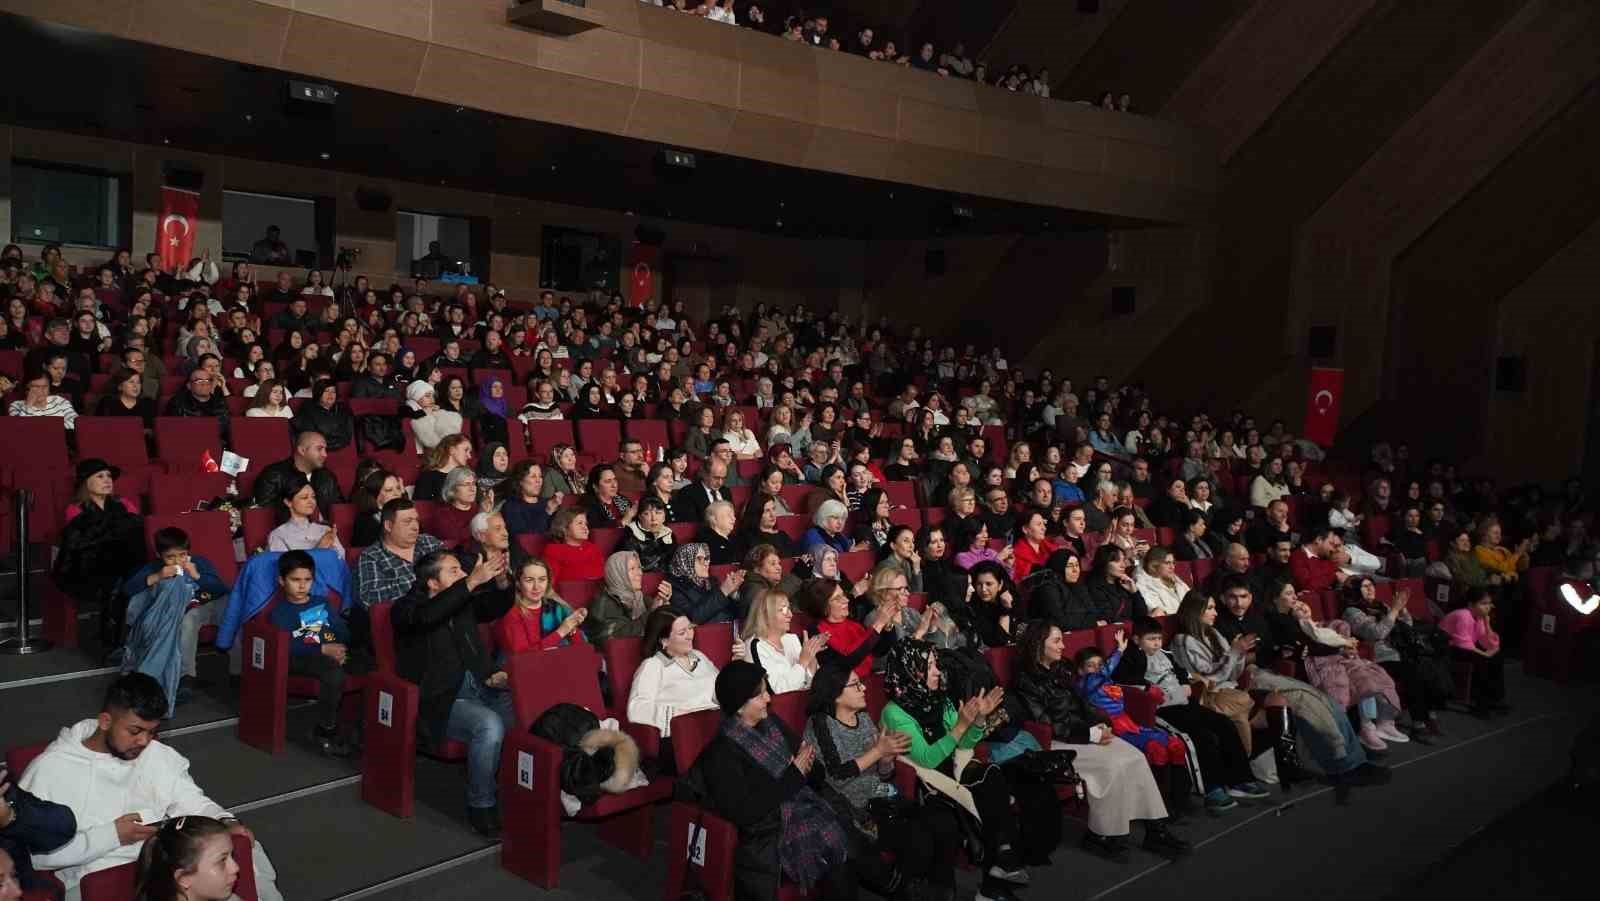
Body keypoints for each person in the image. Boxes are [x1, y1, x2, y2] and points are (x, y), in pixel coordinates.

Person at [18, 673, 283, 900]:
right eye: (135, 731)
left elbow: (190, 800)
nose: (144, 741)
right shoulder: (51, 769)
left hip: (161, 867)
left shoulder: (156, 754)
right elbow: (34, 856)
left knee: (244, 848)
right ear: (105, 721)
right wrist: (112, 835)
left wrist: (225, 820)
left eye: (152, 732)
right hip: (95, 877)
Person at [878, 640, 1057, 889]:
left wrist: (979, 719)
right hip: (926, 781)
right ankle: (994, 870)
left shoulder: (939, 698)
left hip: (954, 765)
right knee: (976, 799)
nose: (938, 671)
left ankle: (1001, 857)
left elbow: (966, 743)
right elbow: (926, 758)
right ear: (910, 672)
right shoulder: (894, 713)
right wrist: (961, 725)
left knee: (991, 775)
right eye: (929, 667)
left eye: (936, 664)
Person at [678, 661, 855, 900]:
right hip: (767, 838)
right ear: (740, 706)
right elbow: (745, 813)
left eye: (766, 691)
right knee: (838, 848)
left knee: (845, 840)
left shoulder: (771, 724)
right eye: (760, 694)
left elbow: (815, 772)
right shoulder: (722, 753)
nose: (769, 699)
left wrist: (804, 769)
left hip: (801, 810)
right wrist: (794, 774)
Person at [1011, 623, 1185, 861]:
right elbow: (1047, 725)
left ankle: (1156, 829)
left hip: (1082, 731)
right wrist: (1090, 734)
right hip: (1056, 742)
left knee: (1134, 757)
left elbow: (1082, 702)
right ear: (1038, 645)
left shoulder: (1061, 668)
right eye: (1057, 641)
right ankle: (1101, 835)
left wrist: (1101, 722)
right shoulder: (1025, 680)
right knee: (1112, 765)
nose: (1063, 646)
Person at [804, 666, 959, 901]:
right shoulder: (821, 724)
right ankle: (907, 890)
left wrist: (886, 760)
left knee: (937, 824)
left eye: (861, 683)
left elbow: (883, 775)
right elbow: (837, 774)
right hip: (849, 810)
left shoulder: (864, 718)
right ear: (835, 693)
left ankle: (930, 889)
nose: (863, 688)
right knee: (916, 839)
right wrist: (878, 752)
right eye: (855, 685)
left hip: (879, 797)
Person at [392, 549, 515, 837]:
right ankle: (481, 804)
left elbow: (495, 606)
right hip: (442, 698)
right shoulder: (406, 610)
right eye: (454, 571)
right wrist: (470, 583)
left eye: (462, 569)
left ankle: (512, 790)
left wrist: (501, 580)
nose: (463, 574)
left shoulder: (462, 600)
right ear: (432, 582)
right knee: (489, 725)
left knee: (525, 713)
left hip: (483, 683)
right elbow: (428, 616)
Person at [1112, 617, 1270, 811]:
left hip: (1184, 703)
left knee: (1224, 723)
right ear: (1137, 640)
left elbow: (1180, 671)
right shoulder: (1131, 657)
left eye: (1158, 639)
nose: (1156, 643)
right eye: (1151, 639)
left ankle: (1240, 780)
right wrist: (1150, 688)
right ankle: (1212, 790)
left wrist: (1185, 683)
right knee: (1202, 736)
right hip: (1162, 711)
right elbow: (1123, 680)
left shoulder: (1165, 653)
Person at [119, 528, 231, 713]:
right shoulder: (155, 567)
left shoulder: (199, 562)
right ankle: (186, 676)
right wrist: (157, 576)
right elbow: (128, 589)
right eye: (170, 557)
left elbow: (220, 588)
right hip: (180, 611)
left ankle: (232, 673)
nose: (178, 561)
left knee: (193, 618)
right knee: (185, 622)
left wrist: (196, 575)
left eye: (182, 555)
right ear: (159, 555)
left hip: (208, 605)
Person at [267, 550, 367, 757]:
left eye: (307, 580)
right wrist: (322, 647)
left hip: (330, 651)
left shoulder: (321, 603)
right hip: (298, 659)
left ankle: (362, 730)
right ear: (282, 581)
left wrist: (337, 647)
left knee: (368, 665)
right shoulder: (280, 612)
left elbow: (341, 630)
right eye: (295, 580)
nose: (302, 586)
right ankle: (325, 729)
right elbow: (286, 645)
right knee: (333, 672)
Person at [1340, 578, 1445, 738]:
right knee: (1412, 671)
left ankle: (1430, 714)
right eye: (1364, 586)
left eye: (1371, 585)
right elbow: (1376, 633)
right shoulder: (1352, 612)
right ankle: (1418, 723)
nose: (1370, 589)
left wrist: (1402, 609)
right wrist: (1394, 610)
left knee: (1428, 665)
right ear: (1354, 591)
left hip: (1399, 652)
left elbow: (1407, 625)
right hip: (1378, 656)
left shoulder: (1380, 606)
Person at [626, 608, 720, 738]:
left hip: (716, 725)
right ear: (664, 641)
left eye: (690, 628)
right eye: (682, 633)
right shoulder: (653, 665)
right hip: (686, 736)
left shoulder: (698, 656)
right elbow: (637, 709)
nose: (690, 635)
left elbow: (720, 689)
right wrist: (680, 717)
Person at [354, 499, 445, 609]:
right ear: (388, 526)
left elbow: (455, 571)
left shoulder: (429, 542)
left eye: (416, 520)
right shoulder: (372, 556)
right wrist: (426, 581)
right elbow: (370, 597)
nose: (415, 527)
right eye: (407, 521)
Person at [801, 578, 892, 678]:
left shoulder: (851, 620)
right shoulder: (816, 632)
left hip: (866, 679)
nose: (847, 600)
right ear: (824, 605)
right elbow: (845, 662)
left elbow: (877, 651)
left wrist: (887, 626)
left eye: (843, 595)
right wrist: (878, 624)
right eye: (838, 598)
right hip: (845, 684)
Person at [739, 589, 827, 692]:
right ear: (766, 614)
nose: (790, 615)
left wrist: (811, 657)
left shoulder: (791, 639)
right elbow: (777, 690)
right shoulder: (755, 645)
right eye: (783, 610)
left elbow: (815, 684)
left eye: (789, 608)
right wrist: (803, 662)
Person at [1439, 587, 1508, 717]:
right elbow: (1463, 643)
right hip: (1447, 649)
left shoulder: (1480, 617)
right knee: (1483, 659)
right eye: (1483, 603)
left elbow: (1488, 642)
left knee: (1497, 657)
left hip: (1463, 647)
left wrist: (1487, 625)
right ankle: (1480, 703)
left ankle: (1495, 698)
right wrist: (1485, 654)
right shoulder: (1463, 615)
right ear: (1471, 605)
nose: (1488, 607)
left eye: (1489, 603)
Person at [494, 558, 587, 653]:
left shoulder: (555, 607)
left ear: (548, 582)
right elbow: (523, 656)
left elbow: (582, 648)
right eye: (529, 580)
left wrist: (572, 629)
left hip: (556, 658)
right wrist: (561, 632)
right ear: (518, 583)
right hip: (525, 661)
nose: (536, 587)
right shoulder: (511, 614)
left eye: (542, 580)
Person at [584, 550, 673, 646]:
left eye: (639, 568)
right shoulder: (604, 604)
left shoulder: (639, 597)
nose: (640, 573)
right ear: (617, 574)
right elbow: (621, 638)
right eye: (632, 569)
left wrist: (664, 603)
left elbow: (668, 625)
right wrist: (652, 612)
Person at [252, 431, 342, 516]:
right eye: (319, 449)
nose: (325, 454)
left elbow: (339, 510)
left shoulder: (327, 477)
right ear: (302, 450)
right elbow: (263, 515)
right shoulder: (274, 475)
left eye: (325, 449)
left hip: (325, 526)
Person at [666, 542, 743, 623]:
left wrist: (733, 595)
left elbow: (734, 614)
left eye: (706, 558)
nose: (706, 563)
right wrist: (723, 591)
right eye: (699, 559)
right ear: (685, 562)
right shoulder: (675, 588)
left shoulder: (711, 581)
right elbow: (693, 618)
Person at [266, 483, 344, 559]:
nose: (311, 501)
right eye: (304, 497)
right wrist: (319, 549)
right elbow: (284, 566)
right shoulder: (278, 534)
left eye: (313, 497)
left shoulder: (325, 530)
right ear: (288, 502)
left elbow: (341, 559)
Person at [542, 508, 604, 584]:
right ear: (564, 529)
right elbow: (551, 583)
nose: (585, 527)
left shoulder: (593, 548)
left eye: (586, 524)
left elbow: (601, 577)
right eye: (580, 523)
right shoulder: (553, 550)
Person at [291, 379, 354, 452]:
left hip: (341, 449)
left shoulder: (343, 410)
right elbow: (310, 437)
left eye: (333, 392)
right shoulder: (307, 409)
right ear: (318, 393)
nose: (330, 394)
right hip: (315, 451)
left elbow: (347, 435)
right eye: (326, 391)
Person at [617, 495, 676, 571]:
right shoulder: (630, 536)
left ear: (664, 517)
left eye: (658, 513)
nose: (653, 518)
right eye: (647, 514)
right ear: (640, 516)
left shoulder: (668, 535)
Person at [406, 380, 463, 454]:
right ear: (416, 397)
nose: (432, 399)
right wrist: (424, 412)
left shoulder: (434, 410)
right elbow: (407, 415)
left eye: (433, 396)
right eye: (427, 396)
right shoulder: (407, 408)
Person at [672, 456, 730, 525]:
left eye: (723, 478)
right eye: (716, 478)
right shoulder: (688, 493)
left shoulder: (725, 491)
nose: (720, 483)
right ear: (704, 474)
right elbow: (691, 525)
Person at [1134, 546, 1189, 616]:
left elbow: (1191, 599)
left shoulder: (1173, 577)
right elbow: (1158, 612)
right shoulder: (1142, 583)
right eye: (1167, 563)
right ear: (1154, 565)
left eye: (1173, 563)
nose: (1172, 567)